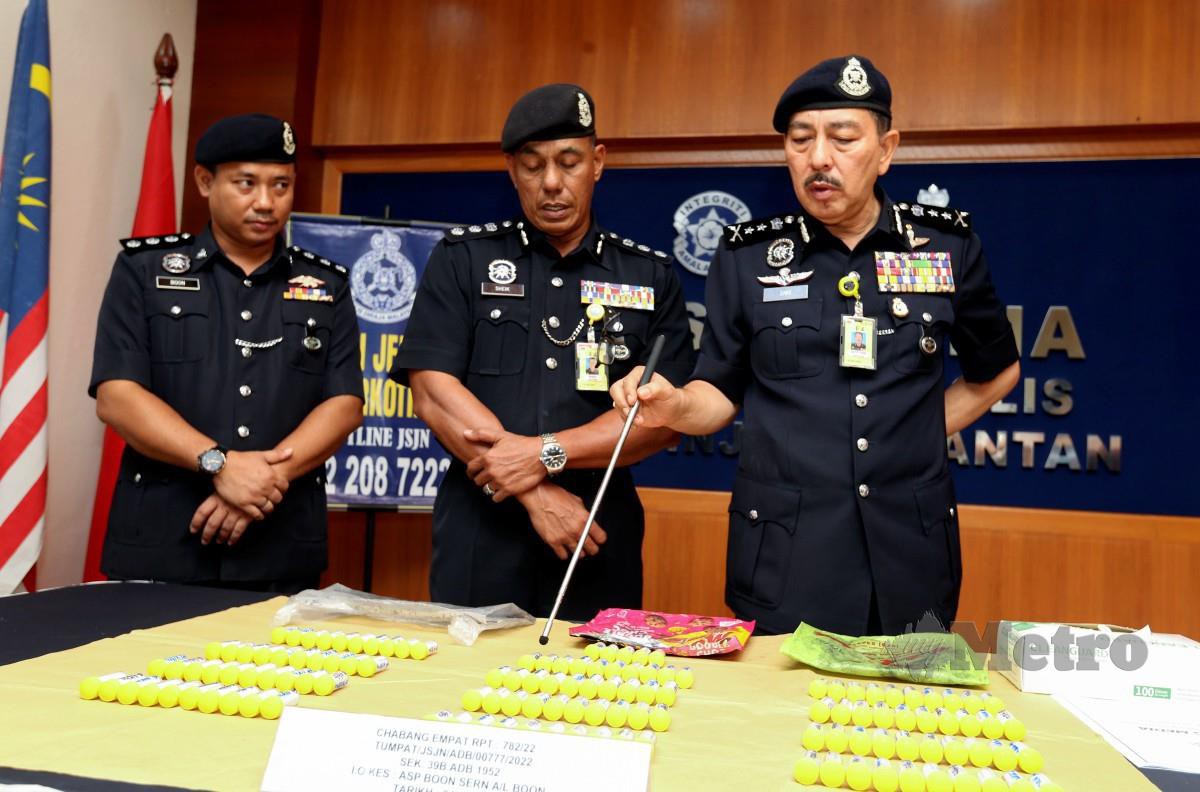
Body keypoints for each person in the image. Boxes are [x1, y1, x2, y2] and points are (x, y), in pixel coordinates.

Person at [611, 56, 1020, 636]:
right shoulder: (747, 256)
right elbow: (718, 391)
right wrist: (674, 405)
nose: (819, 158)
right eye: (801, 140)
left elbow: (996, 372)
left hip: (910, 554)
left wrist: (915, 432)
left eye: (843, 138)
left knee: (902, 722)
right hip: (786, 552)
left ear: (886, 149)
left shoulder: (945, 246)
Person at [389, 84, 694, 619]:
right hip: (481, 522)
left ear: (597, 163)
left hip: (596, 527)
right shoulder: (464, 259)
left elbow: (659, 420)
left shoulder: (648, 274)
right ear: (511, 170)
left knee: (592, 692)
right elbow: (434, 391)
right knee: (462, 690)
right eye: (532, 166)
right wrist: (535, 491)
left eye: (568, 162)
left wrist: (543, 453)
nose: (551, 183)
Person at [89, 113, 363, 594]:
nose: (266, 202)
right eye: (246, 183)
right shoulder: (144, 270)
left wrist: (261, 480)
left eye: (281, 185)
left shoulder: (327, 285)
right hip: (163, 536)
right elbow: (117, 395)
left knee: (272, 671)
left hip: (279, 541)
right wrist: (220, 463)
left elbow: (343, 404)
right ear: (204, 181)